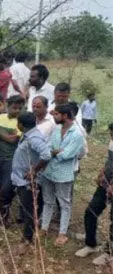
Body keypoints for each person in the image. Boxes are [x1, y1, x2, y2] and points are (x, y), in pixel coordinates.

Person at [41, 104, 85, 246]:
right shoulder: (57, 129)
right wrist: (54, 152)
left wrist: (55, 152)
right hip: (49, 171)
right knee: (48, 201)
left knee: (64, 203)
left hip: (64, 174)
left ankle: (62, 233)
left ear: (65, 116)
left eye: (56, 114)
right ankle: (44, 228)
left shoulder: (77, 134)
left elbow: (67, 155)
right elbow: (48, 148)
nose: (54, 117)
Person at [75, 123, 113, 265]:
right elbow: (109, 160)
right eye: (111, 134)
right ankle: (91, 244)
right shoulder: (112, 142)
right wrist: (102, 172)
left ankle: (109, 254)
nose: (111, 137)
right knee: (91, 212)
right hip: (105, 185)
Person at [11, 112, 52, 243]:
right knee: (28, 207)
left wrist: (34, 170)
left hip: (29, 180)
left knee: (30, 209)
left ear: (21, 125)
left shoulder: (34, 138)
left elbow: (46, 155)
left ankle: (27, 238)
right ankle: (28, 233)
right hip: (21, 178)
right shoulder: (29, 135)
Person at [0, 96, 26, 226]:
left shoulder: (21, 122)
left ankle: (4, 218)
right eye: (14, 107)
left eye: (20, 108)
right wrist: (4, 135)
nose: (17, 110)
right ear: (7, 106)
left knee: (6, 189)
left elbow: (13, 140)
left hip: (11, 159)